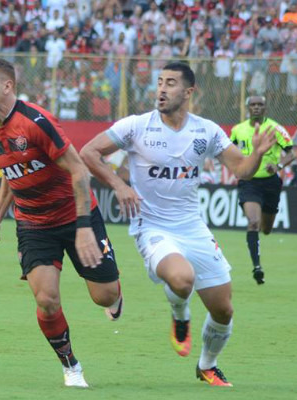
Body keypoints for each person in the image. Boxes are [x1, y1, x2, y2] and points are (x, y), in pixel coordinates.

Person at [80, 62, 278, 387]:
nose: (161, 89)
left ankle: (207, 366)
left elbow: (242, 170)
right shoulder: (136, 126)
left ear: (188, 92)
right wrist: (119, 185)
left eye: (170, 83)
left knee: (224, 310)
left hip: (193, 228)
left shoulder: (207, 130)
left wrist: (256, 153)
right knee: (182, 279)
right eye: (159, 82)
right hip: (152, 227)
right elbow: (89, 152)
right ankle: (180, 313)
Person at [0, 58, 122, 388]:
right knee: (46, 299)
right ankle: (71, 366)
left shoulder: (36, 122)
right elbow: (10, 174)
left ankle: (115, 294)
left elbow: (80, 170)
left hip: (76, 216)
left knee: (104, 296)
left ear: (7, 86)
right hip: (33, 224)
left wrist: (84, 227)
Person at [230, 95, 297, 284]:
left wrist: (278, 167)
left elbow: (291, 153)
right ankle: (257, 267)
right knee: (253, 223)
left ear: (265, 108)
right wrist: (237, 167)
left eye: (260, 105)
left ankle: (261, 241)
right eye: (253, 105)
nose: (256, 108)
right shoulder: (237, 130)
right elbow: (228, 151)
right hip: (248, 182)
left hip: (270, 183)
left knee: (266, 229)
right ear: (247, 108)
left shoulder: (276, 129)